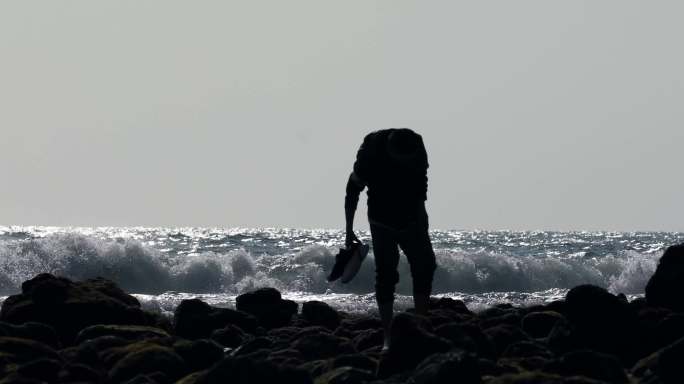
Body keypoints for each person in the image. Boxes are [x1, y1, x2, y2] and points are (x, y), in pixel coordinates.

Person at [344, 128, 437, 348]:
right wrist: (348, 229)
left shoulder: (416, 145)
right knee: (386, 273)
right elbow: (352, 188)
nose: (405, 164)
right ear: (389, 150)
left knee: (425, 266)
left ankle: (421, 327)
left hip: (411, 216)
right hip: (381, 218)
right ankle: (388, 335)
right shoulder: (371, 151)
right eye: (400, 160)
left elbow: (421, 185)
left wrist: (421, 219)